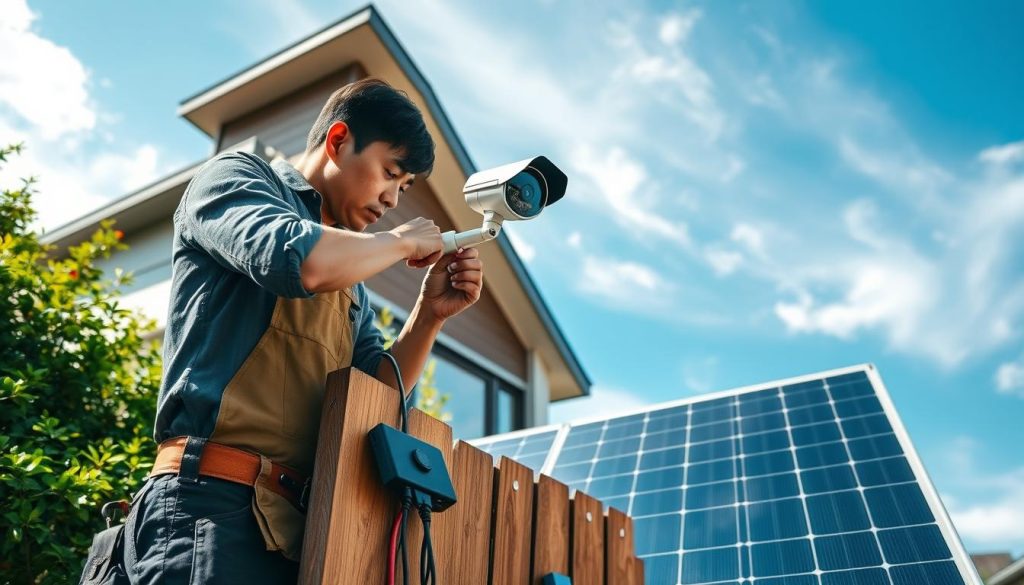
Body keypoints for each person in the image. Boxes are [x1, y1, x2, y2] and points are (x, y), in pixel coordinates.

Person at [122, 78, 483, 583]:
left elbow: (376, 392)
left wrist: (429, 316)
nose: (391, 200)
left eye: (403, 189)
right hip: (208, 504)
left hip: (295, 530)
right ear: (337, 141)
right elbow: (296, 258)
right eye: (390, 173)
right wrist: (399, 243)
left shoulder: (352, 285)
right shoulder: (237, 178)